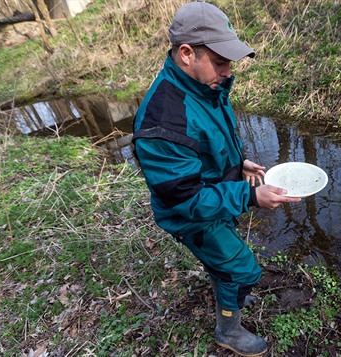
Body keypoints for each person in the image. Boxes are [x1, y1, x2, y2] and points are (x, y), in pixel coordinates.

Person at [132, 2, 301, 356]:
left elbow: (209, 141)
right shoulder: (163, 121)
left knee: (225, 263)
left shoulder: (203, 87)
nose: (227, 71)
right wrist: (251, 196)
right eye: (220, 61)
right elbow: (186, 200)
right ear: (186, 53)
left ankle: (229, 292)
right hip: (190, 213)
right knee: (244, 269)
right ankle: (229, 330)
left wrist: (240, 164)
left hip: (215, 193)